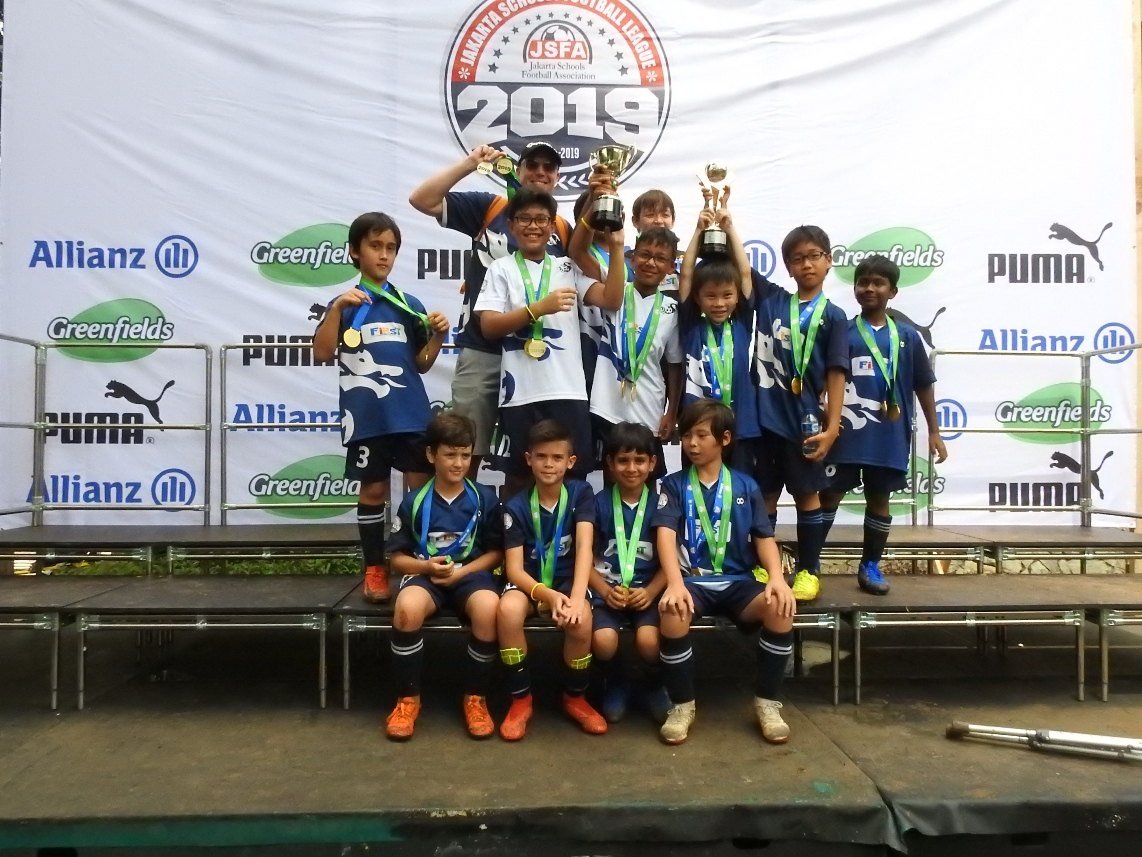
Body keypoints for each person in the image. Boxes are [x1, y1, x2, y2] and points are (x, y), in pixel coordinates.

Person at [408, 141, 572, 478]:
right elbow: (421, 200)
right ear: (518, 170)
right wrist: (470, 164)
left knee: (526, 460)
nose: (540, 172)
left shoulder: (561, 228)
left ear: (557, 177)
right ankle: (458, 510)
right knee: (465, 450)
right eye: (532, 165)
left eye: (549, 167)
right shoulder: (490, 207)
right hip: (483, 348)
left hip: (534, 358)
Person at [313, 212, 450, 603]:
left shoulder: (408, 304)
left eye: (391, 248)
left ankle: (419, 565)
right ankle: (375, 568)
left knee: (419, 492)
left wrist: (438, 337)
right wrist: (336, 310)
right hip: (367, 418)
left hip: (411, 416)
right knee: (373, 490)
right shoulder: (344, 304)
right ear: (354, 252)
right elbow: (322, 353)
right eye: (375, 246)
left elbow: (422, 363)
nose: (384, 255)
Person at [655, 400, 796, 745]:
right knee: (673, 610)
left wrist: (776, 579)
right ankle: (682, 706)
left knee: (779, 606)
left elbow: (764, 537)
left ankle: (767, 703)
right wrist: (674, 583)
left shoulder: (746, 485)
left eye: (701, 435)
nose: (692, 443)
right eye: (687, 435)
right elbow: (665, 535)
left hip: (738, 583)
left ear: (725, 438)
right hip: (693, 582)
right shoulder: (673, 485)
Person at [475, 188, 626, 495]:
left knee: (574, 477)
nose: (533, 226)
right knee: (518, 476)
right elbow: (489, 326)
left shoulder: (567, 267)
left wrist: (618, 247)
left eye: (541, 219)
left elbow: (612, 299)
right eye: (525, 219)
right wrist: (537, 309)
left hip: (568, 391)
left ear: (552, 226)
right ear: (511, 225)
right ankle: (516, 529)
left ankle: (574, 530)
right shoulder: (500, 268)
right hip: (520, 394)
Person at [818, 255, 948, 594]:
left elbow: (923, 384)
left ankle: (870, 565)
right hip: (844, 433)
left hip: (888, 435)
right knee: (829, 495)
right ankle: (810, 563)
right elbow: (826, 379)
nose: (869, 288)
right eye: (863, 282)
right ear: (855, 288)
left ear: (893, 291)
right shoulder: (842, 332)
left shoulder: (907, 336)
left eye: (878, 283)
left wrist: (934, 431)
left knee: (879, 499)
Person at [382, 412, 505, 740]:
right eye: (450, 454)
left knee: (489, 609)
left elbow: (497, 553)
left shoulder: (485, 499)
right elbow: (397, 559)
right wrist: (425, 568)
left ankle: (476, 698)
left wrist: (463, 571)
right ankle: (407, 700)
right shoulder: (414, 501)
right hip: (426, 574)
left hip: (471, 574)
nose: (459, 463)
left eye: (465, 455)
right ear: (430, 454)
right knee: (406, 609)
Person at [752, 225, 850, 602]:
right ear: (788, 267)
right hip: (765, 418)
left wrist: (833, 427)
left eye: (814, 256)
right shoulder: (773, 301)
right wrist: (724, 222)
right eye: (797, 259)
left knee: (808, 495)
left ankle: (809, 570)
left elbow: (837, 373)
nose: (807, 264)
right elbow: (743, 271)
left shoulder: (835, 316)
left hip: (806, 421)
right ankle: (765, 566)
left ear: (829, 260)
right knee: (766, 495)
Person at [496, 419, 606, 740]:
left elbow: (584, 548)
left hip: (568, 581)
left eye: (557, 458)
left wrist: (575, 597)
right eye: (541, 456)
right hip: (530, 584)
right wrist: (547, 595)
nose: (548, 464)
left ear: (570, 462)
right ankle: (520, 701)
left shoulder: (581, 493)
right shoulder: (515, 506)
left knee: (581, 620)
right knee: (508, 611)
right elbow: (514, 570)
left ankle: (575, 698)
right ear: (528, 459)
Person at [588, 422, 671, 723]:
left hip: (647, 592)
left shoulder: (662, 505)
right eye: (623, 460)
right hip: (606, 592)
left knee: (650, 642)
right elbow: (583, 558)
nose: (631, 468)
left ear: (652, 463)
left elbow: (672, 560)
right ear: (609, 463)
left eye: (639, 460)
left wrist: (651, 591)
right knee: (603, 641)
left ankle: (654, 684)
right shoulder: (597, 504)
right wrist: (603, 590)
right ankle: (616, 682)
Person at [588, 226, 684, 481]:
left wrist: (672, 411)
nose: (651, 263)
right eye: (645, 254)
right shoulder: (615, 292)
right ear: (632, 258)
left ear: (671, 267)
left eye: (660, 258)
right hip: (608, 404)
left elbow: (675, 364)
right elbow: (579, 253)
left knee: (646, 479)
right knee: (613, 478)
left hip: (648, 407)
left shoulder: (672, 310)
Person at [677, 190, 761, 477]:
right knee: (695, 488)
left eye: (727, 295)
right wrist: (698, 231)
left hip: (741, 423)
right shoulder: (691, 327)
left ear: (737, 297)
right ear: (697, 298)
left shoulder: (741, 324)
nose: (719, 303)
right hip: (697, 426)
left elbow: (745, 273)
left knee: (738, 488)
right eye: (710, 296)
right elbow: (686, 274)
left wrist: (729, 227)